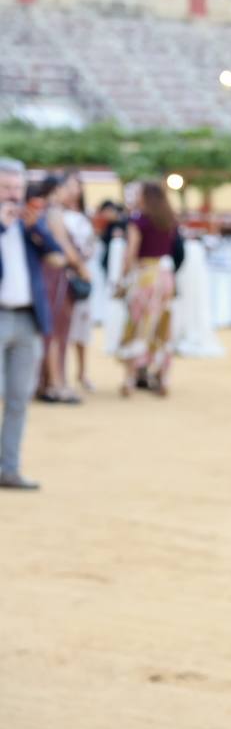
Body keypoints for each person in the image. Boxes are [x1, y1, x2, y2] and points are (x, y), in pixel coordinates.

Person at [0, 159, 64, 490]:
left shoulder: (29, 225)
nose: (12, 195)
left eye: (16, 188)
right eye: (6, 187)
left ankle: (8, 468)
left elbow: (57, 256)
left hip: (27, 318)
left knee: (18, 398)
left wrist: (33, 229)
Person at [115, 181, 179, 397]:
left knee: (138, 324)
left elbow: (130, 252)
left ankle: (130, 378)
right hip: (165, 276)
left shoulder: (138, 220)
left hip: (145, 277)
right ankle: (163, 377)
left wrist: (122, 278)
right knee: (162, 326)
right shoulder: (169, 219)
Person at [33, 172, 92, 404]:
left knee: (52, 330)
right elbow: (64, 246)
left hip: (49, 274)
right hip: (56, 276)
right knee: (57, 331)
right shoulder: (54, 212)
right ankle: (55, 383)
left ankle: (47, 382)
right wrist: (82, 269)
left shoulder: (40, 211)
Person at [59, 175, 97, 393]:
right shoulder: (57, 215)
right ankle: (60, 375)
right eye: (71, 186)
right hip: (66, 275)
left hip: (83, 274)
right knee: (62, 329)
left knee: (82, 326)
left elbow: (90, 243)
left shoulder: (82, 216)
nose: (75, 190)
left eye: (78, 186)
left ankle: (82, 372)